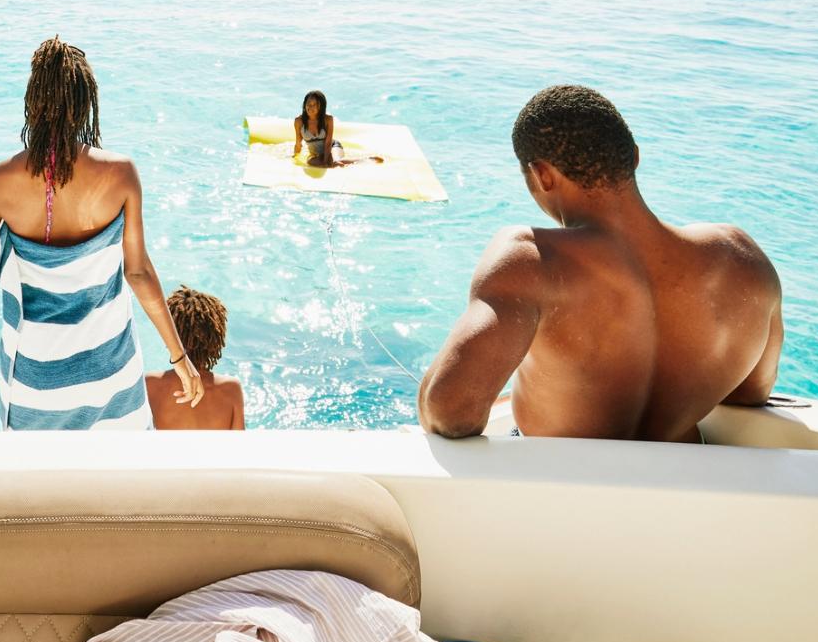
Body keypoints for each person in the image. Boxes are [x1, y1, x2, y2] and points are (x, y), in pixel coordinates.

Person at [418, 85, 782, 442]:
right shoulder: (740, 255)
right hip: (682, 487)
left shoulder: (531, 258)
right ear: (634, 157)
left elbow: (450, 413)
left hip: (562, 488)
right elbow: (750, 395)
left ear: (542, 175)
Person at [0, 36, 203, 430]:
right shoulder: (121, 174)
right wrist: (179, 357)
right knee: (119, 480)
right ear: (86, 103)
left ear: (32, 100)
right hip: (109, 369)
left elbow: (5, 270)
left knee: (36, 485)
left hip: (33, 376)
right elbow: (138, 273)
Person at [145, 286, 245, 430]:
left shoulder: (150, 383)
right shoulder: (231, 389)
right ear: (216, 338)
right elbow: (239, 448)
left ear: (170, 336)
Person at [293, 90, 384, 168]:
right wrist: (295, 157)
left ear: (320, 107)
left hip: (332, 146)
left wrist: (326, 161)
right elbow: (298, 143)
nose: (310, 107)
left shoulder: (328, 119)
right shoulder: (299, 121)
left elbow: (328, 142)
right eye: (308, 104)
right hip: (316, 154)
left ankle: (366, 160)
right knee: (310, 162)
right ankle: (330, 162)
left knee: (336, 162)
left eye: (314, 105)